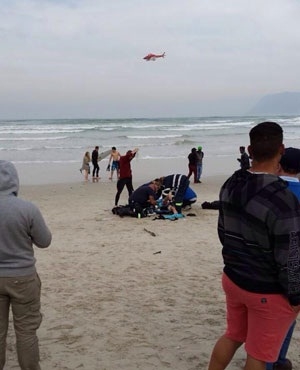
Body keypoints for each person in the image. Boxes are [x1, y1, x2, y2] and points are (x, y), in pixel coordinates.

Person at [208, 122, 300, 370]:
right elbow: (290, 255)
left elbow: (223, 232)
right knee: (258, 355)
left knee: (233, 335)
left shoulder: (231, 184)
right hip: (265, 290)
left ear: (249, 149)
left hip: (234, 277)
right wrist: (295, 296)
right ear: (281, 149)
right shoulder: (283, 199)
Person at [0, 160, 52, 370]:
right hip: (23, 277)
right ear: (15, 181)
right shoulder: (27, 209)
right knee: (26, 331)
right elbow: (44, 241)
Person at [265, 147, 300, 370]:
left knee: (266, 323)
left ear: (279, 164)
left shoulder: (268, 190)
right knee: (288, 316)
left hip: (266, 263)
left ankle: (273, 360)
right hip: (294, 267)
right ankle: (277, 360)